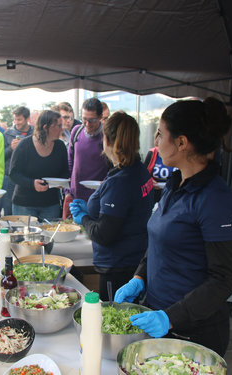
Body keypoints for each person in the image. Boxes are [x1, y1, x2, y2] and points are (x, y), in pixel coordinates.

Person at [114, 98, 232, 357]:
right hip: (157, 314)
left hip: (193, 332)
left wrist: (170, 317)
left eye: (161, 135)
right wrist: (140, 277)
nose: (156, 142)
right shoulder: (174, 186)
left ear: (182, 143)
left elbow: (225, 277)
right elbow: (160, 241)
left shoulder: (215, 199)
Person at [69, 111, 153, 301]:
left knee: (115, 317)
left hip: (118, 265)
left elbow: (103, 234)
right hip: (135, 259)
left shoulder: (120, 181)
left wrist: (83, 217)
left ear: (106, 140)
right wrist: (91, 210)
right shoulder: (138, 170)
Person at [9, 110, 70, 220]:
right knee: (25, 237)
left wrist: (63, 181)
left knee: (50, 236)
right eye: (59, 126)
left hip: (51, 204)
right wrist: (32, 184)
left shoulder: (60, 146)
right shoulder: (24, 145)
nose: (62, 129)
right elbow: (13, 174)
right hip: (24, 204)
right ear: (46, 127)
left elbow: (65, 171)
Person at [63, 98, 110, 219]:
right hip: (75, 198)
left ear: (100, 117)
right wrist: (67, 191)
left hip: (98, 199)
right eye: (84, 119)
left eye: (92, 120)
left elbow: (114, 168)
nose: (87, 124)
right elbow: (70, 162)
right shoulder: (76, 131)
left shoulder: (107, 136)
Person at [1, 106, 34, 215]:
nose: (16, 122)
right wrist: (11, 148)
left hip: (28, 177)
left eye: (19, 119)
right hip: (10, 178)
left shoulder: (35, 133)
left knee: (27, 209)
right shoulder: (7, 134)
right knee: (9, 209)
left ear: (27, 119)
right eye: (15, 119)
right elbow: (0, 157)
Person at [144, 132, 178, 202]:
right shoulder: (152, 153)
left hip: (175, 196)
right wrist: (150, 182)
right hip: (155, 196)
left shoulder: (180, 155)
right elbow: (143, 176)